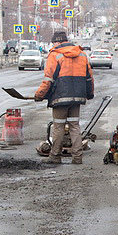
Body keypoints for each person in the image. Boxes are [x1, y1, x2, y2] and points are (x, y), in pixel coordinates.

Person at [34, 30, 94, 164]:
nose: (52, 45)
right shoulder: (82, 54)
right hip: (77, 97)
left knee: (58, 127)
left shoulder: (55, 55)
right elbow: (89, 78)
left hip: (60, 98)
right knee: (74, 126)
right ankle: (77, 157)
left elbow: (48, 79)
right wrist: (89, 94)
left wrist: (39, 95)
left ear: (57, 42)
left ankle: (55, 156)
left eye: (53, 42)